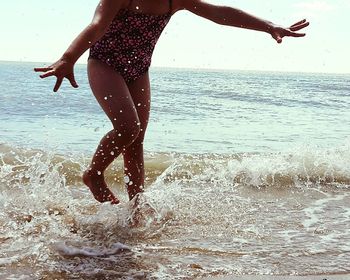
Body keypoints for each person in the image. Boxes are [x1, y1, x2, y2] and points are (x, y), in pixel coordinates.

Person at [34, 0, 309, 205]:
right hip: (104, 63)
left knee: (137, 138)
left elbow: (219, 13)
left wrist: (268, 26)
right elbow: (96, 26)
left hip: (139, 68)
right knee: (128, 128)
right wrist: (68, 58)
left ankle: (137, 204)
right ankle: (93, 174)